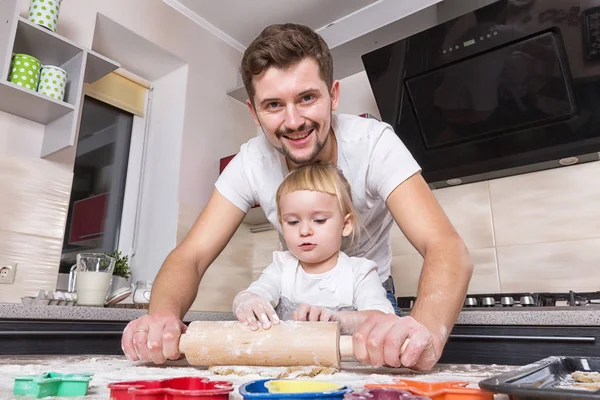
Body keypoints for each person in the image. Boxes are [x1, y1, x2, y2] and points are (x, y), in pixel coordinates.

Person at [122, 23, 473, 371]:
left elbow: (444, 245)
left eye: (307, 98)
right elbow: (191, 256)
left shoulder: (374, 144)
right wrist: (163, 318)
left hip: (368, 304)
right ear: (254, 112)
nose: (293, 121)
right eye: (273, 104)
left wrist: (425, 331)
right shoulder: (251, 160)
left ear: (333, 95)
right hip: (294, 309)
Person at [233, 162, 395, 334]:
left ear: (346, 224)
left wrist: (338, 320)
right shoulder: (282, 267)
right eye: (293, 222)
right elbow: (254, 293)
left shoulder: (360, 273)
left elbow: (384, 318)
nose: (304, 231)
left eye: (319, 220)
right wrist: (246, 300)